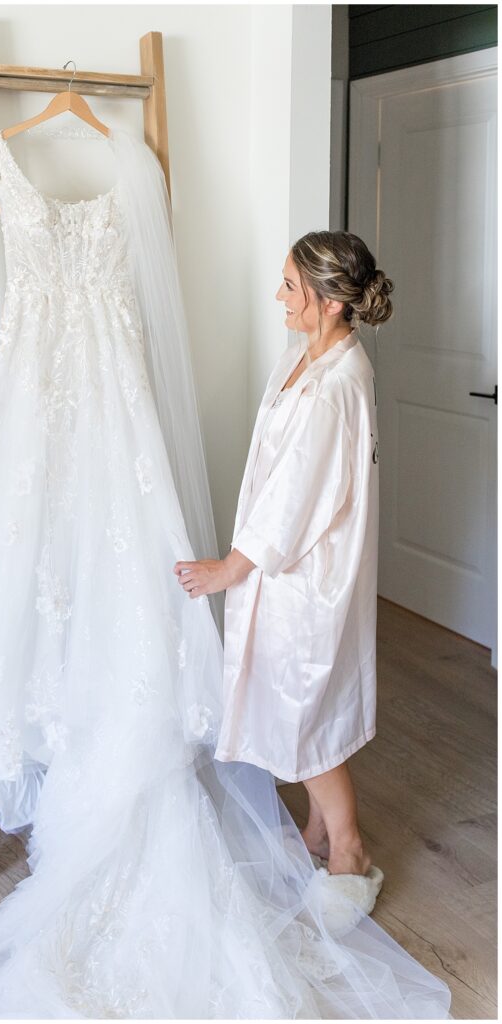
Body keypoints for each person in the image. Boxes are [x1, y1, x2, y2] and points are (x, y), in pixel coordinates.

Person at [174, 230, 393, 884]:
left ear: (329, 302)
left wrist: (228, 568)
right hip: (286, 567)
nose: (280, 295)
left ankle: (349, 848)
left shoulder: (338, 384)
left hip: (305, 572)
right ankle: (319, 831)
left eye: (291, 287)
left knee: (303, 718)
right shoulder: (305, 357)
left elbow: (296, 497)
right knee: (298, 705)